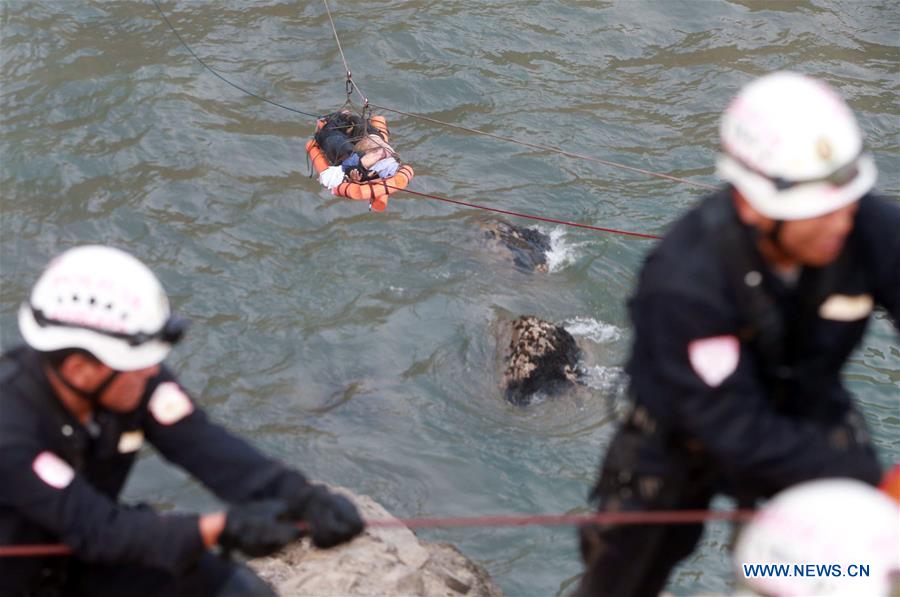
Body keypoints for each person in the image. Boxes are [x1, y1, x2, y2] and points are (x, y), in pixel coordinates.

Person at [575, 71, 900, 597]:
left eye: (849, 202)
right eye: (819, 211)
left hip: (805, 408)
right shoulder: (684, 281)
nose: (842, 223)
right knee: (623, 572)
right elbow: (729, 425)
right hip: (680, 433)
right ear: (754, 205)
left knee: (849, 565)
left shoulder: (862, 226)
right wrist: (849, 467)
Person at [0, 245, 365, 597]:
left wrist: (300, 497)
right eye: (136, 363)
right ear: (80, 370)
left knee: (235, 589)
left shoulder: (131, 384)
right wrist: (219, 530)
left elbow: (205, 446)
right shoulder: (11, 429)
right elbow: (98, 527)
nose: (153, 370)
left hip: (81, 562)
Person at [314, 109, 400, 189]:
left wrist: (353, 176)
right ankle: (339, 118)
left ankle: (333, 122)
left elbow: (348, 166)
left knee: (330, 136)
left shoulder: (377, 156)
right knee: (352, 125)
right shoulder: (382, 155)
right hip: (369, 139)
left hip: (365, 146)